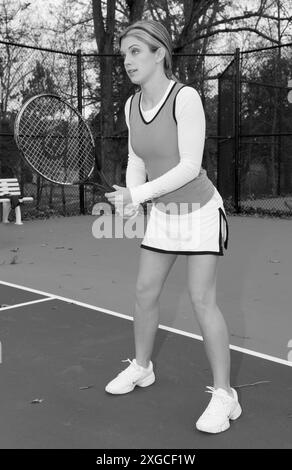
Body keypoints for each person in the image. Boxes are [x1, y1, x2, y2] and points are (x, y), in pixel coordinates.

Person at [104, 19, 242, 434]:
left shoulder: (186, 98)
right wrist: (133, 197)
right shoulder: (131, 106)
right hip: (164, 215)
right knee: (145, 291)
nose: (127, 61)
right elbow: (136, 160)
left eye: (136, 51)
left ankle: (225, 396)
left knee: (202, 300)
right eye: (124, 53)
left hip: (200, 212)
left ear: (160, 53)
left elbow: (188, 166)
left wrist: (138, 196)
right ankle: (142, 367)